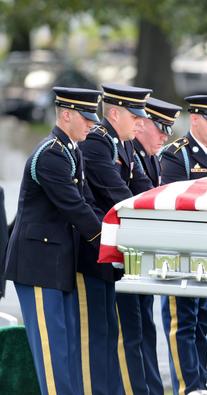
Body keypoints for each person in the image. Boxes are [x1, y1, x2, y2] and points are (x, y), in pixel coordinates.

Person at [4, 87, 103, 395]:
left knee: (67, 348)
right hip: (38, 266)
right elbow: (76, 208)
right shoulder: (50, 155)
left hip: (56, 264)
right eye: (85, 118)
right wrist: (109, 242)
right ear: (66, 115)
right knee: (53, 354)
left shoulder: (70, 151)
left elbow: (86, 202)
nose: (91, 124)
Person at [159, 95, 207, 395]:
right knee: (183, 320)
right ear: (194, 119)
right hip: (182, 249)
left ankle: (201, 384)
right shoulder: (175, 155)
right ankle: (188, 387)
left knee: (202, 319)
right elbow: (174, 202)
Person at [78, 83, 154, 395]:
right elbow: (118, 196)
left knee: (126, 332)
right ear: (113, 113)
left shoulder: (125, 145)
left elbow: (144, 190)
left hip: (119, 252)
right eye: (134, 116)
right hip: (96, 253)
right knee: (105, 334)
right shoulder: (98, 143)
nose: (141, 122)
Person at [116, 97, 181, 395]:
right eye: (162, 128)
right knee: (130, 331)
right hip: (126, 254)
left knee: (146, 328)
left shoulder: (153, 157)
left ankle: (152, 389)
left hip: (144, 254)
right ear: (141, 124)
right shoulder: (126, 154)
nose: (166, 136)